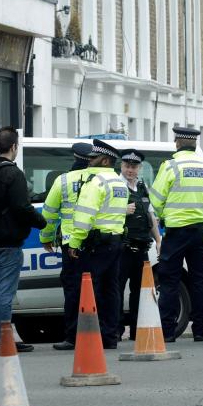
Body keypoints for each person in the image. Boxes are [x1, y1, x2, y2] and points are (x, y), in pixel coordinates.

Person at [0, 127, 47, 353]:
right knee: (4, 293)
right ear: (13, 147)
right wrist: (42, 222)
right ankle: (4, 340)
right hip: (7, 245)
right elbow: (21, 208)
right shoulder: (13, 174)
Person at [149, 126, 203, 342]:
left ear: (177, 142)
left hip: (176, 232)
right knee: (198, 281)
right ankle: (200, 331)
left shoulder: (170, 166)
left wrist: (164, 215)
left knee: (169, 281)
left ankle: (167, 333)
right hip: (199, 232)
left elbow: (156, 200)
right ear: (194, 144)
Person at [67, 139, 129, 349]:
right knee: (112, 290)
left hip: (97, 244)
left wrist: (74, 243)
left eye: (93, 158)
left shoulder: (97, 183)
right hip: (115, 242)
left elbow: (84, 217)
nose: (89, 161)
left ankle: (92, 336)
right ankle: (110, 336)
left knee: (91, 290)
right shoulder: (119, 183)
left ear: (104, 160)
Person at [39, 142, 94, 351]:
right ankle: (104, 334)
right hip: (96, 241)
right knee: (99, 287)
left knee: (72, 290)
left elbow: (49, 213)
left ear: (74, 157)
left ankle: (72, 336)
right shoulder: (99, 179)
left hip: (71, 242)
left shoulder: (62, 181)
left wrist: (46, 238)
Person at [117, 149, 162, 340]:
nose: (130, 170)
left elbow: (150, 215)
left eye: (134, 167)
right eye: (127, 166)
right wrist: (121, 210)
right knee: (117, 290)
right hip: (123, 247)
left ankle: (136, 330)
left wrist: (158, 240)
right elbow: (103, 211)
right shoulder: (116, 185)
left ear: (139, 168)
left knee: (139, 291)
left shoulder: (142, 187)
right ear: (121, 166)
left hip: (142, 248)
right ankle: (116, 331)